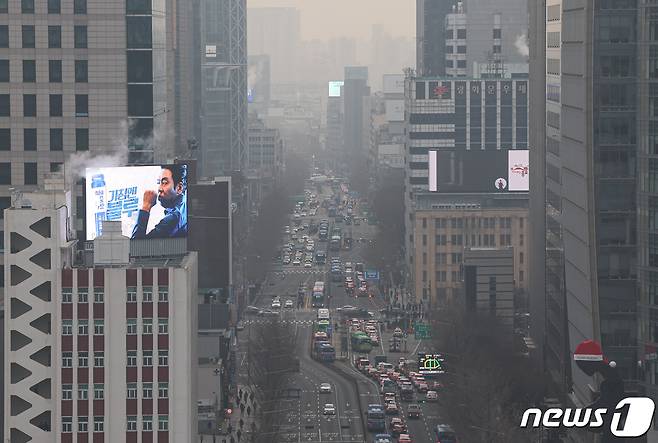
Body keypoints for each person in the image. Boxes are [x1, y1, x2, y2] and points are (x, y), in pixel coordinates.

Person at [131, 164, 188, 239]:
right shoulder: (184, 202)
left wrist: (146, 207)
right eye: (159, 182)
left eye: (165, 183)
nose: (159, 188)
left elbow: (136, 246)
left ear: (179, 188)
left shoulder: (173, 218)